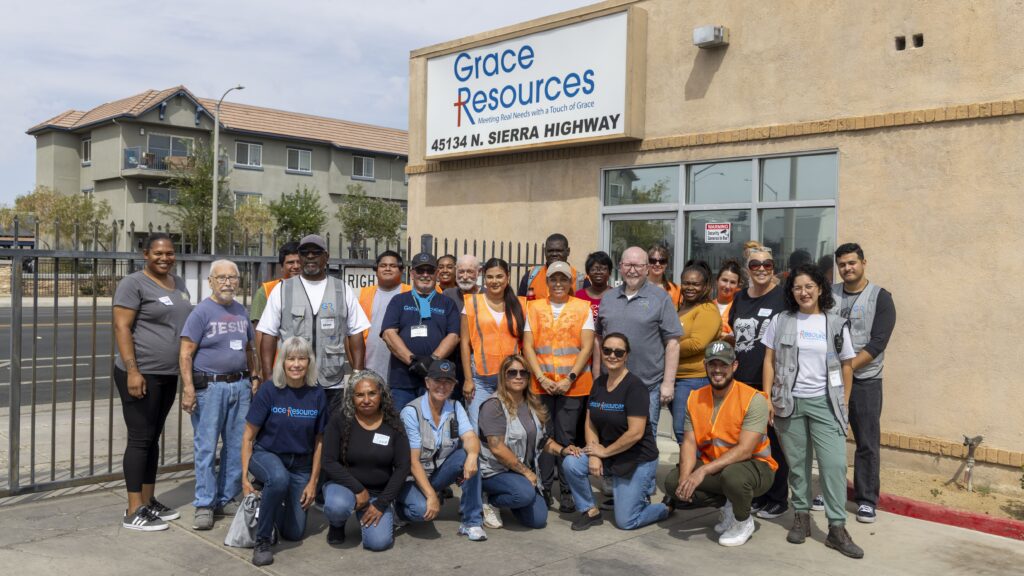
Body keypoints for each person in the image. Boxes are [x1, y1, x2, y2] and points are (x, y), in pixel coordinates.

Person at [763, 263, 863, 559]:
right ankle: (802, 517)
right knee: (798, 465)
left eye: (809, 286)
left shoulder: (834, 323)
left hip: (825, 403)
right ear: (791, 292)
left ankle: (836, 527)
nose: (803, 292)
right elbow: (769, 360)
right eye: (797, 287)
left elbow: (847, 366)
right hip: (789, 403)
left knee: (833, 465)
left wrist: (843, 404)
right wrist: (767, 397)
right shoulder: (781, 321)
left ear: (820, 288)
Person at [112, 232, 193, 531]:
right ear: (145, 254)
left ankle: (147, 501)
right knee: (140, 439)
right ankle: (133, 510)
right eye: (158, 253)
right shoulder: (133, 284)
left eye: (170, 253)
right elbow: (122, 327)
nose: (164, 258)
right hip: (140, 373)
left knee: (153, 438)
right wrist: (133, 371)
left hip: (167, 374)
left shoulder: (179, 283)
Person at [664, 341, 777, 547]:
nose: (718, 370)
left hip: (756, 468)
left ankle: (743, 521)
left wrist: (701, 472)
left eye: (724, 365)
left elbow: (744, 451)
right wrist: (685, 478)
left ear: (734, 366)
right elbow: (688, 443)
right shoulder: (695, 398)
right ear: (705, 365)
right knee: (673, 483)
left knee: (733, 476)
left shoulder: (753, 398)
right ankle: (727, 505)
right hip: (718, 466)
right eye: (713, 364)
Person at [180, 259, 260, 531]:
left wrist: (255, 376)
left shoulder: (240, 311)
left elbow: (249, 349)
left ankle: (226, 497)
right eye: (222, 278)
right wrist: (189, 389)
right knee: (206, 446)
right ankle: (204, 502)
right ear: (211, 282)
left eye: (233, 278)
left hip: (239, 386)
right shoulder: (201, 312)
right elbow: (186, 353)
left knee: (238, 445)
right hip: (210, 388)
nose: (228, 282)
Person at [561, 333, 670, 531]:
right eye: (607, 350)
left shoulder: (636, 387)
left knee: (626, 521)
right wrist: (594, 453)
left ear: (626, 355)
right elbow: (590, 423)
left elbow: (635, 433)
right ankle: (590, 511)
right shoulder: (598, 384)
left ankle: (664, 508)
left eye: (618, 352)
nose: (612, 355)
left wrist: (603, 452)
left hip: (636, 459)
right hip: (609, 455)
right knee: (571, 463)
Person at [257, 234, 369, 412]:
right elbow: (268, 334)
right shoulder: (282, 289)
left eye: (316, 252)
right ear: (299, 257)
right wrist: (268, 377)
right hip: (292, 383)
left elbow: (356, 332)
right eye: (305, 253)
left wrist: (357, 373)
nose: (310, 256)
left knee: (330, 436)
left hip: (332, 384)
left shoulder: (342, 289)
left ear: (326, 257)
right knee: (296, 436)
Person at [241, 337, 327, 566]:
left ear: (309, 362)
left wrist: (313, 482)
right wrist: (243, 479)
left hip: (300, 465)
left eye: (301, 358)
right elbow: (248, 437)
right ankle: (262, 540)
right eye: (291, 358)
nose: (296, 364)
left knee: (295, 532)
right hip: (267, 455)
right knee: (278, 479)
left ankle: (269, 498)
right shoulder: (270, 390)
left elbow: (319, 441)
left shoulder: (317, 394)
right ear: (282, 362)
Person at [477, 355, 582, 529]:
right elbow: (497, 448)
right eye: (512, 373)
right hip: (494, 473)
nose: (518, 376)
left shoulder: (532, 404)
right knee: (524, 494)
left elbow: (543, 441)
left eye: (523, 373)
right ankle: (487, 499)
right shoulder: (493, 405)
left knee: (538, 520)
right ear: (503, 376)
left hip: (518, 473)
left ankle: (512, 494)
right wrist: (526, 472)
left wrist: (564, 451)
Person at [832, 243, 896, 524]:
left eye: (852, 263)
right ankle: (829, 491)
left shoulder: (880, 298)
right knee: (829, 437)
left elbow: (878, 342)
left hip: (865, 381)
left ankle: (866, 499)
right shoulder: (829, 294)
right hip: (829, 380)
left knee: (866, 442)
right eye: (842, 264)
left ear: (864, 263)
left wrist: (846, 368)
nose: (847, 268)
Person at [523, 261, 594, 513]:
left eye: (563, 279)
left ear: (570, 282)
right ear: (547, 282)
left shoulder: (582, 307)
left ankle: (567, 490)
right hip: (541, 385)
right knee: (543, 438)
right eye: (553, 279)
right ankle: (544, 488)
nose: (558, 284)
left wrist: (568, 379)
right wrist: (542, 378)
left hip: (572, 386)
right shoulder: (534, 307)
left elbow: (586, 347)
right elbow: (528, 345)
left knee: (567, 438)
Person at [728, 245, 790, 519]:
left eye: (768, 264)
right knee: (750, 443)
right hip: (741, 383)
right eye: (755, 265)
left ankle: (777, 498)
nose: (762, 269)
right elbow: (734, 336)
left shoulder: (783, 297)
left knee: (774, 443)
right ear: (747, 270)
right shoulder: (740, 298)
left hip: (771, 384)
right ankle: (758, 493)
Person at [321, 370, 410, 551]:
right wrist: (358, 489)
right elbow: (328, 461)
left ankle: (387, 512)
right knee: (338, 507)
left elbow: (403, 467)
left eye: (372, 393)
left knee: (378, 544)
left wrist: (381, 503)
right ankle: (337, 524)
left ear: (381, 394)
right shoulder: (340, 420)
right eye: (359, 395)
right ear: (351, 398)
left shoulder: (393, 422)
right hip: (345, 488)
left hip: (378, 493)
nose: (366, 400)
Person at [398, 359, 486, 541]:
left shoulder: (455, 406)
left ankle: (472, 523)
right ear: (427, 383)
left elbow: (470, 437)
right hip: (410, 478)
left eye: (448, 382)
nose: (442, 386)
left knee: (469, 455)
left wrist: (473, 455)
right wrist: (430, 496)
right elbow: (413, 462)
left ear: (454, 385)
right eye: (437, 380)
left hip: (436, 475)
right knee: (420, 512)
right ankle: (398, 508)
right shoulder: (411, 412)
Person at [596, 246, 681, 433]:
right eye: (627, 264)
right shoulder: (608, 298)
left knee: (645, 440)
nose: (632, 270)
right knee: (611, 435)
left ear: (647, 268)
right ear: (620, 266)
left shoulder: (661, 298)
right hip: (611, 385)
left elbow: (673, 343)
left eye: (638, 265)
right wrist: (596, 377)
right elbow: (598, 339)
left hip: (647, 387)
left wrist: (668, 383)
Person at [380, 253, 461, 410]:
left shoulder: (447, 303)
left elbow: (454, 336)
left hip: (437, 380)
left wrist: (431, 361)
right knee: (402, 427)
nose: (425, 275)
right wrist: (412, 361)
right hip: (403, 380)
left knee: (433, 428)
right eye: (420, 271)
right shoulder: (399, 300)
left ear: (436, 274)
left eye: (429, 271)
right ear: (412, 274)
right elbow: (388, 334)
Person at [671, 261, 722, 443]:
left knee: (683, 430)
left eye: (695, 284)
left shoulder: (707, 310)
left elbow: (697, 344)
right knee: (684, 431)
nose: (689, 287)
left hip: (694, 379)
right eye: (686, 283)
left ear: (706, 286)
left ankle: (696, 468)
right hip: (676, 378)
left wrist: (666, 347)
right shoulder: (682, 309)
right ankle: (689, 466)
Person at [358, 250, 411, 385]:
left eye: (392, 266)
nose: (387, 268)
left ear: (401, 270)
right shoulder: (364, 294)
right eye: (383, 265)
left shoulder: (411, 293)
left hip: (403, 365)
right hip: (370, 364)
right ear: (376, 270)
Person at [250, 242, 302, 370]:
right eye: (290, 262)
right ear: (282, 267)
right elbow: (259, 333)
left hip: (305, 366)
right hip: (277, 367)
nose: (295, 266)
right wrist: (263, 369)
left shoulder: (313, 290)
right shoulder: (267, 291)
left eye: (299, 262)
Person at [442, 253, 482, 403]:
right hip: (452, 362)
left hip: (478, 363)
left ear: (479, 273)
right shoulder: (447, 294)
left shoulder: (486, 295)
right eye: (461, 271)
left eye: (470, 271)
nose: (465, 276)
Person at [517, 233, 579, 301]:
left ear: (568, 251)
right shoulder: (530, 276)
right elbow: (520, 305)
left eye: (559, 251)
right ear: (545, 251)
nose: (554, 254)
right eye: (550, 251)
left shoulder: (580, 281)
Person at [574, 251, 613, 324]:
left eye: (603, 269)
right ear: (588, 272)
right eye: (594, 269)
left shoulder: (616, 296)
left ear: (610, 272)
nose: (598, 272)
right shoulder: (578, 296)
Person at [713, 259, 743, 337]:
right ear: (717, 281)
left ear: (738, 286)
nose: (727, 286)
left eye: (732, 282)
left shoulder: (740, 308)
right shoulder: (706, 305)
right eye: (724, 280)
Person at [647, 244, 681, 309]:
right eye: (652, 261)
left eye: (662, 261)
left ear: (666, 264)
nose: (657, 264)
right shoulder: (638, 286)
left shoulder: (675, 289)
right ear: (647, 263)